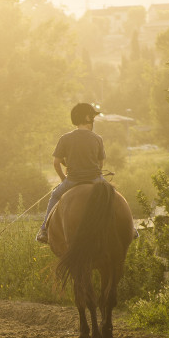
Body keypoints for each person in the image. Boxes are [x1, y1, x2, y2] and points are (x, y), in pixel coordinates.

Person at [36, 102, 106, 243]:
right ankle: (131, 228)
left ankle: (44, 230)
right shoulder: (98, 138)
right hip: (95, 179)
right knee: (115, 195)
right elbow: (100, 164)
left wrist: (63, 178)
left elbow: (56, 163)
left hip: (72, 180)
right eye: (92, 117)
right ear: (87, 118)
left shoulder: (65, 138)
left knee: (55, 195)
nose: (93, 120)